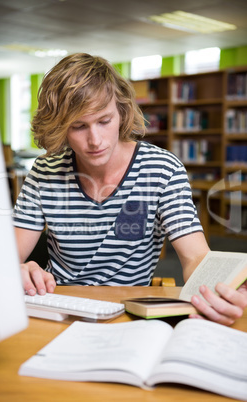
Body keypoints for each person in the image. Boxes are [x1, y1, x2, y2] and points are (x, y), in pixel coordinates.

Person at [13, 53, 247, 326]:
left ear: (122, 112)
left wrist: (219, 289)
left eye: (104, 121)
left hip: (130, 312)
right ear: (61, 128)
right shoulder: (45, 171)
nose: (95, 140)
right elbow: (7, 258)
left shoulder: (162, 169)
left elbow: (195, 255)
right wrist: (16, 270)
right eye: (78, 126)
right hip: (60, 306)